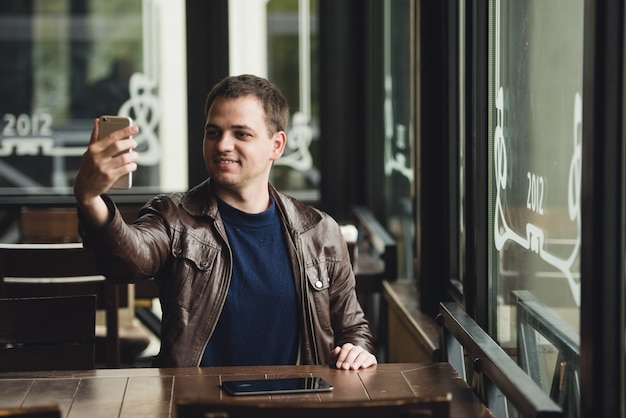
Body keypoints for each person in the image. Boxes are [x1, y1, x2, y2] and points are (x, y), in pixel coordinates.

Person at [73, 74, 377, 370]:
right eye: (213, 132)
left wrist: (358, 351)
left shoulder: (319, 231)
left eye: (241, 134)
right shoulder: (175, 217)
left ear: (277, 145)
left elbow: (353, 329)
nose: (222, 145)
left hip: (297, 403)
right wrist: (89, 198)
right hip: (198, 405)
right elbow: (126, 261)